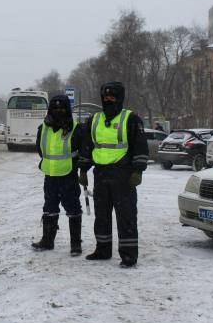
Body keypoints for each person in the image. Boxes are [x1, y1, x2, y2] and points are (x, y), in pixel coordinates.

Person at [78, 81, 148, 268]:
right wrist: (83, 169)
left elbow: (140, 146)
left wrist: (138, 171)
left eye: (112, 97)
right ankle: (102, 250)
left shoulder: (131, 119)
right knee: (101, 216)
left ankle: (128, 255)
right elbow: (87, 146)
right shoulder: (94, 120)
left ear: (120, 98)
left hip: (123, 175)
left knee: (126, 216)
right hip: (101, 175)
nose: (108, 100)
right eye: (105, 97)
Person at [32, 94, 85, 255]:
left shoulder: (76, 128)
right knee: (49, 208)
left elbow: (83, 151)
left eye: (62, 108)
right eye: (55, 108)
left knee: (73, 209)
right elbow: (40, 148)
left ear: (67, 110)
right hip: (50, 175)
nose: (58, 111)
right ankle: (47, 241)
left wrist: (81, 169)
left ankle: (75, 244)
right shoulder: (43, 127)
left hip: (68, 175)